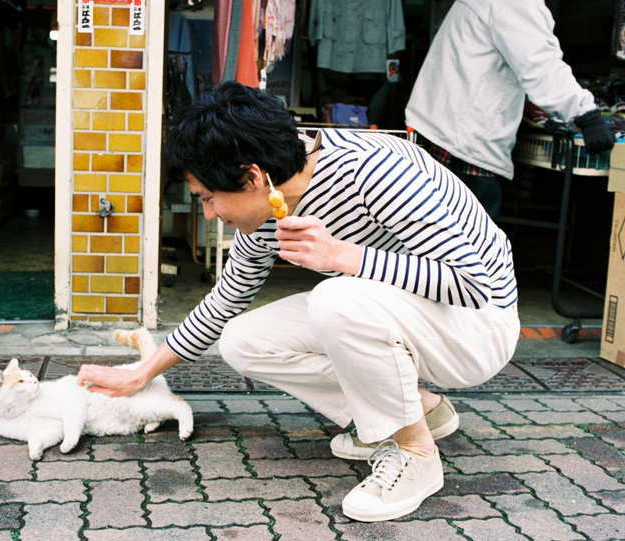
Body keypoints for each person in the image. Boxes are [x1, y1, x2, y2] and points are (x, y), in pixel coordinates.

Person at [76, 81, 521, 522]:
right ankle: (416, 412)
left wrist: (343, 256)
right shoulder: (266, 210)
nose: (210, 213)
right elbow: (225, 301)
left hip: (479, 326)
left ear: (252, 177)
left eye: (208, 198)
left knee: (335, 300)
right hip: (409, 314)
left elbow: (473, 284)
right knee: (242, 340)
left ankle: (416, 455)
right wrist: (142, 373)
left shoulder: (371, 171)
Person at [405, 0, 615, 221]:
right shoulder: (517, 3)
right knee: (471, 237)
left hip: (445, 132)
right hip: (465, 144)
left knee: (436, 231)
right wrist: (586, 114)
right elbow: (542, 68)